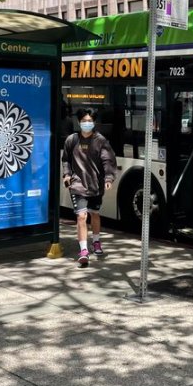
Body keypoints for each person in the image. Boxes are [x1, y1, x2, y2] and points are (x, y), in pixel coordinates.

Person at [61, 108, 116, 267]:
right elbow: (66, 160)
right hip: (77, 185)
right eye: (84, 121)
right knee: (81, 216)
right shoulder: (72, 140)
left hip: (95, 185)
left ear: (94, 122)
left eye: (90, 121)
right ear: (79, 122)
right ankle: (83, 250)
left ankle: (96, 242)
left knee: (95, 214)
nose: (87, 123)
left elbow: (108, 161)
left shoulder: (101, 141)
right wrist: (66, 174)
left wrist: (109, 178)